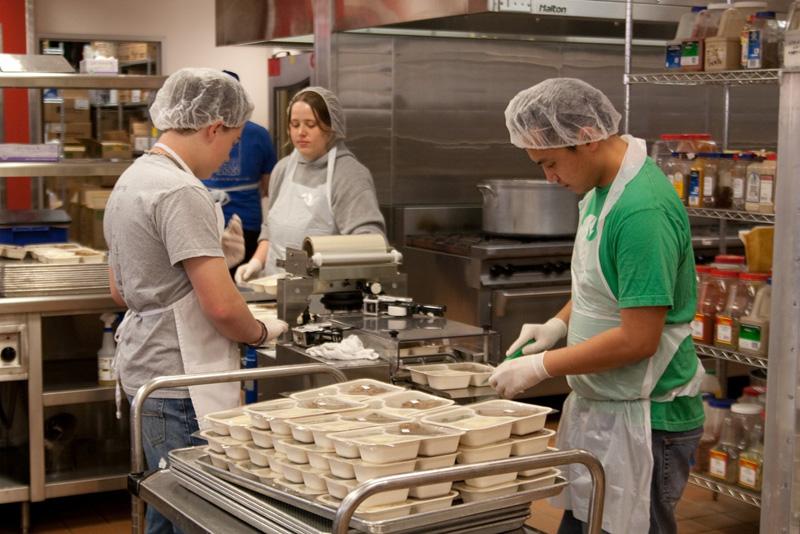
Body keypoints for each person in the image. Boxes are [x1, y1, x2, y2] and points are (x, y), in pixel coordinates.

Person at [489, 78, 704, 534]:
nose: (548, 177)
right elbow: (601, 284)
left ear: (586, 136)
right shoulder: (601, 189)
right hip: (607, 408)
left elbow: (639, 338)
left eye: (549, 162)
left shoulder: (640, 210)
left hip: (648, 421)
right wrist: (557, 324)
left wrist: (542, 367)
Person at [103, 68, 288, 534]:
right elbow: (223, 309)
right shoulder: (182, 192)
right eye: (232, 141)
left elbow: (120, 291)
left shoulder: (133, 177)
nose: (229, 155)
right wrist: (263, 331)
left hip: (146, 369)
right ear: (213, 128)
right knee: (198, 515)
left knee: (166, 508)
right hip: (183, 380)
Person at [234, 86, 385, 283]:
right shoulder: (283, 169)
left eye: (310, 124)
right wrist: (256, 262)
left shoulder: (349, 175)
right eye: (295, 124)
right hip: (275, 290)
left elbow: (369, 242)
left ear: (332, 128)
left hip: (326, 293)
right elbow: (270, 229)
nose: (301, 132)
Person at [202, 70, 278, 267]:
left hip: (207, 220)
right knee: (243, 282)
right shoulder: (259, 134)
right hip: (245, 220)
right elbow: (268, 185)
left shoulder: (202, 131)